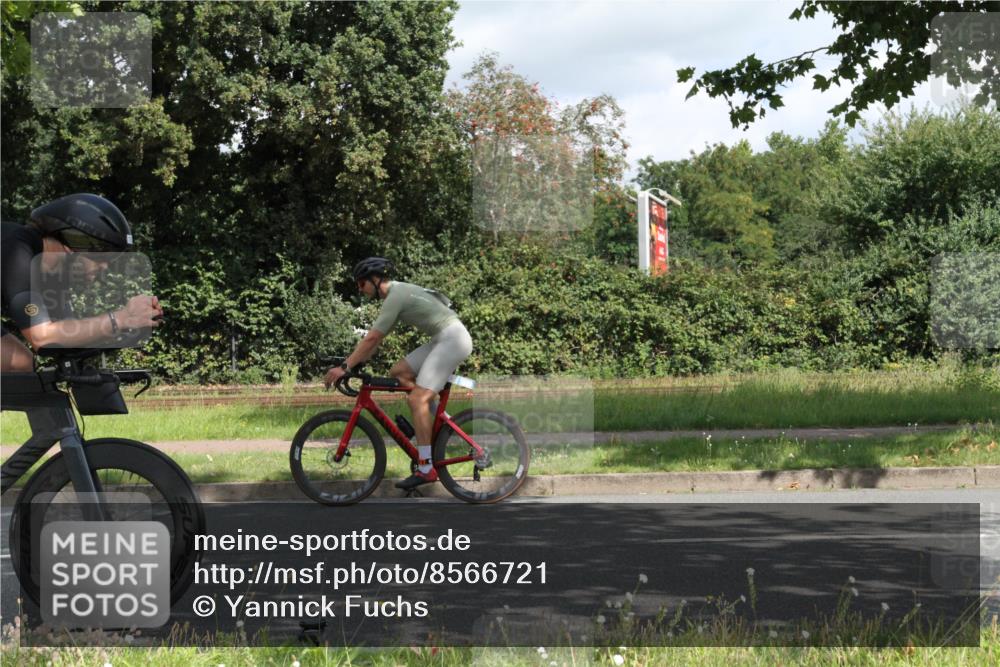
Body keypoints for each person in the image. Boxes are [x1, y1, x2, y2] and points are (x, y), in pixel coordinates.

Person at [324, 257, 473, 490]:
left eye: (361, 283)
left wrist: (344, 368)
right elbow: (375, 342)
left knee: (416, 399)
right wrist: (352, 363)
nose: (359, 288)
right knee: (400, 371)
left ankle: (426, 468)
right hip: (444, 338)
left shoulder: (396, 296)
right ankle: (432, 419)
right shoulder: (397, 295)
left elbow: (372, 338)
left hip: (453, 339)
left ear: (375, 280)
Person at [0, 193, 164, 372]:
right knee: (17, 363)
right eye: (102, 258)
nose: (104, 267)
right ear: (73, 247)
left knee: (21, 365)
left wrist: (131, 324)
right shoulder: (16, 250)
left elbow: (63, 337)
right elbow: (42, 337)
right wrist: (121, 318)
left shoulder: (54, 273)